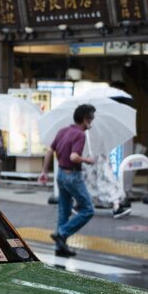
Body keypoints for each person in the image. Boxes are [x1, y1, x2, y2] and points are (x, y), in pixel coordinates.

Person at [39, 103, 97, 258]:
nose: (91, 122)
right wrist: (88, 160)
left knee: (63, 212)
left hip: (60, 176)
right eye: (91, 119)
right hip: (73, 176)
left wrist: (44, 171)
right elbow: (74, 157)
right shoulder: (80, 135)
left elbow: (50, 151)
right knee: (88, 209)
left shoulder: (62, 131)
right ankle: (62, 233)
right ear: (85, 119)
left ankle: (60, 247)